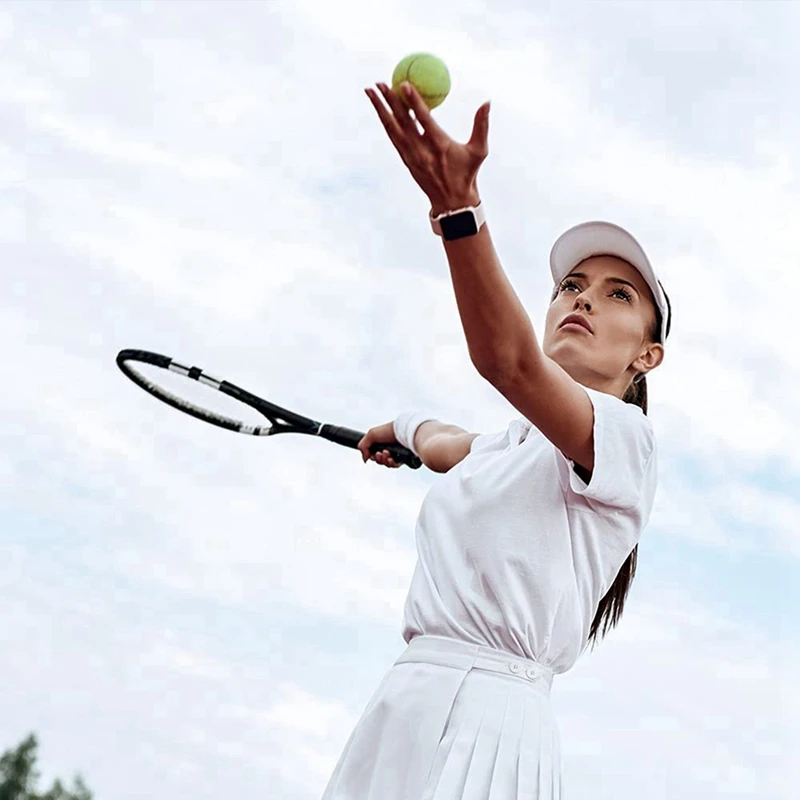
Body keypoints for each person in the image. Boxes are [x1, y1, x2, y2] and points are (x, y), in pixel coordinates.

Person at [320, 81, 671, 800]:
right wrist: (402, 430)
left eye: (617, 295)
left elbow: (508, 362)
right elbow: (452, 444)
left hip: (492, 720)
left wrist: (458, 212)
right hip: (404, 702)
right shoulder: (511, 448)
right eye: (572, 285)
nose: (582, 298)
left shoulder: (627, 443)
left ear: (646, 356)